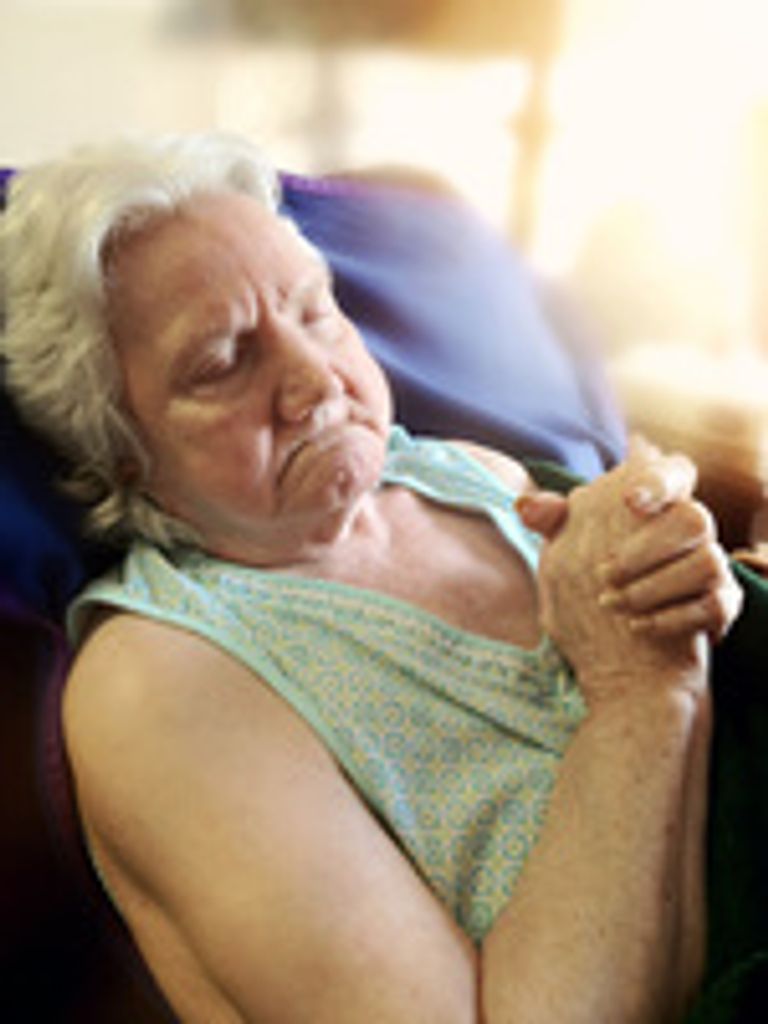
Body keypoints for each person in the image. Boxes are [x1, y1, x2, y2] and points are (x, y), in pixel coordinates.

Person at [0, 134, 743, 1023]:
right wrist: (637, 688)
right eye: (223, 362)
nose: (315, 382)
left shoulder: (470, 471)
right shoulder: (157, 683)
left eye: (314, 311)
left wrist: (692, 571)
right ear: (120, 449)